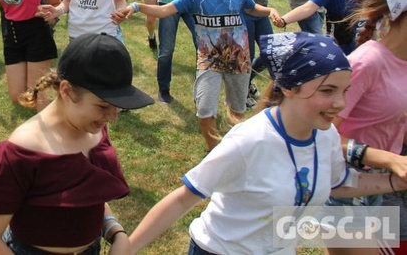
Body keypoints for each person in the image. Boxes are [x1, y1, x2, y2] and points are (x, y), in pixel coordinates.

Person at [129, 32, 407, 254]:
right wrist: (126, 251)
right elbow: (183, 199)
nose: (341, 103)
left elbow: (338, 183)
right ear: (289, 87)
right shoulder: (249, 141)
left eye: (344, 91)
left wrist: (396, 182)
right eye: (328, 91)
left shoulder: (326, 136)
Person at [0, 33, 154, 254]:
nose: (112, 116)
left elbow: (89, 191)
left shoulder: (94, 129)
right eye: (102, 106)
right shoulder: (23, 151)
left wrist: (115, 231)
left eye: (117, 106)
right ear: (66, 90)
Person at [118, 0, 281, 150]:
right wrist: (136, 6)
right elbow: (166, 10)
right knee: (204, 111)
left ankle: (233, 148)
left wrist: (271, 10)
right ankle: (214, 149)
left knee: (237, 110)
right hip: (209, 61)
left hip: (238, 60)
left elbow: (252, 8)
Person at [325, 0, 407, 255]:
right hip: (345, 185)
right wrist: (387, 158)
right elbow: (320, 134)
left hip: (378, 185)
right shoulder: (367, 62)